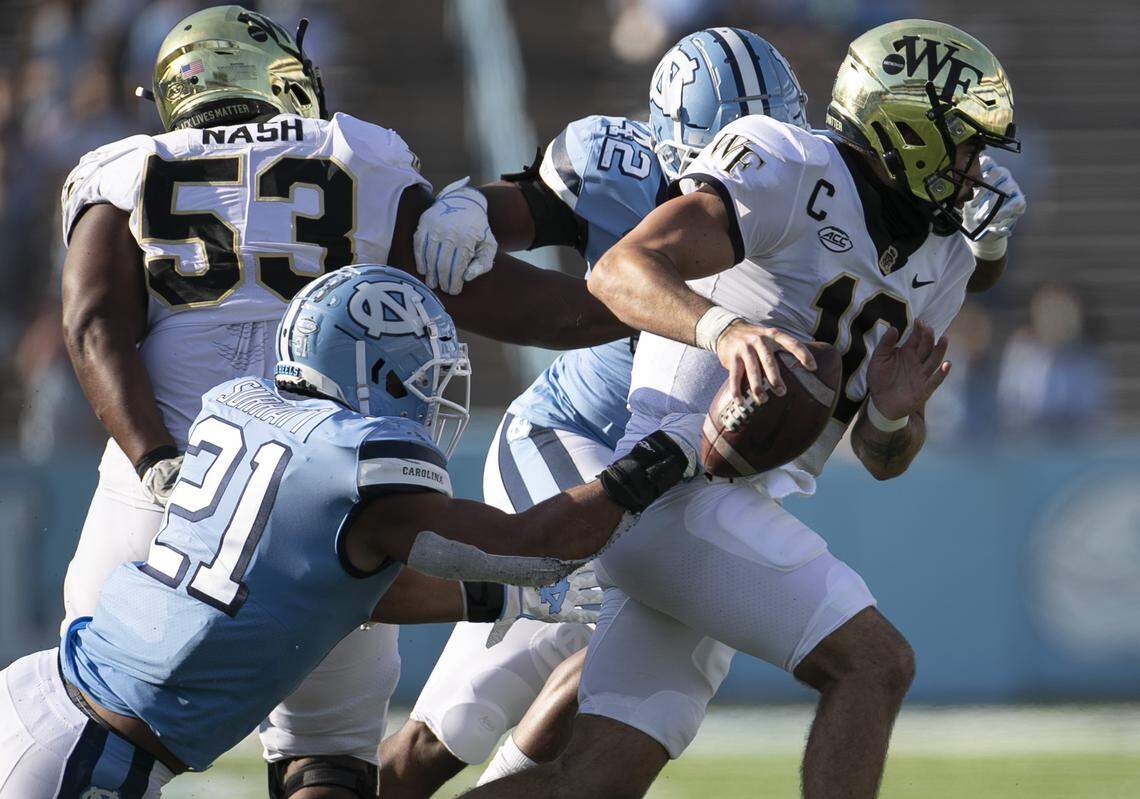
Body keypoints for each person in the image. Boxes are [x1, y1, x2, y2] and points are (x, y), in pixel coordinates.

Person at [57, 6, 626, 796]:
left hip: (168, 499)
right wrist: (660, 302)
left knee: (102, 734)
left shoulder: (123, 167)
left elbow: (92, 325)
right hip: (333, 500)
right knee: (326, 758)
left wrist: (157, 460)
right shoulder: (357, 153)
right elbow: (518, 305)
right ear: (277, 77)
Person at [460, 18, 1027, 799]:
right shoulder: (789, 162)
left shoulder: (945, 258)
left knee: (590, 784)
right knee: (875, 662)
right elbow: (623, 269)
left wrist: (894, 416)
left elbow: (883, 458)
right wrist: (723, 330)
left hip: (733, 509)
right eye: (966, 143)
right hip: (668, 490)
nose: (978, 167)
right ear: (910, 130)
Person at [0, 265, 697, 799]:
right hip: (92, 752)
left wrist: (491, 601)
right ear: (376, 368)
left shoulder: (238, 406)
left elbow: (329, 583)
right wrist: (656, 460)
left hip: (42, 693)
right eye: (422, 368)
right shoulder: (363, 461)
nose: (431, 389)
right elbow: (535, 545)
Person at [379, 28, 808, 796]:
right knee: (485, 691)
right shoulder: (621, 164)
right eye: (734, 143)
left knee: (628, 636)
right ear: (678, 145)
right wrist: (465, 207)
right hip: (573, 435)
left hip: (687, 469)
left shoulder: (813, 187)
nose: (754, 163)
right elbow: (513, 209)